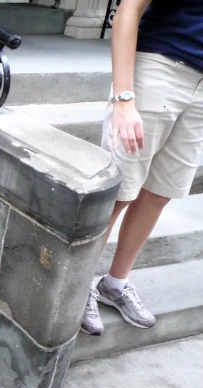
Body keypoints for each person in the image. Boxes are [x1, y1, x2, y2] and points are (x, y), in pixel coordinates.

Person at [81, 0, 203, 335]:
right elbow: (128, 10)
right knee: (118, 191)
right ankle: (76, 288)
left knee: (159, 192)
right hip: (160, 67)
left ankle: (115, 283)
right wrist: (124, 98)